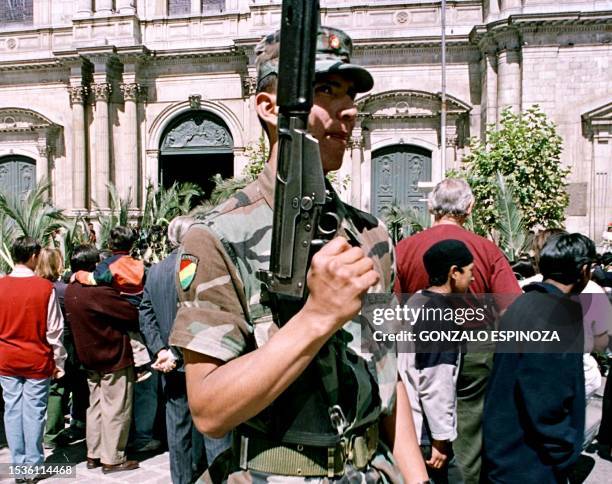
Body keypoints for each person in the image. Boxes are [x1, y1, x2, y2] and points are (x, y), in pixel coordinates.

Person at [169, 26, 428, 483]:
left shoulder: (371, 236)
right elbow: (209, 410)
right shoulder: (215, 238)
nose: (348, 110)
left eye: (349, 93)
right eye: (325, 90)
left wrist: (417, 478)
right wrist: (317, 317)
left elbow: (390, 378)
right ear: (270, 108)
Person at [394, 178, 521, 484]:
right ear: (469, 207)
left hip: (417, 346)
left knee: (416, 421)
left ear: (429, 207)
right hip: (475, 350)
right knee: (466, 435)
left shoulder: (405, 249)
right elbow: (513, 310)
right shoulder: (485, 250)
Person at [483, 233, 595, 483]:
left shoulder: (524, 303)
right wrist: (564, 452)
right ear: (584, 270)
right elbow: (546, 399)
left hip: (506, 453)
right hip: (531, 463)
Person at [140, 216, 227, 483]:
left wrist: (161, 350)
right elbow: (194, 312)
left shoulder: (155, 270)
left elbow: (145, 312)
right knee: (215, 431)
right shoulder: (195, 266)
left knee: (178, 430)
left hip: (171, 364)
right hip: (203, 361)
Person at [399, 239, 473, 483]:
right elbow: (436, 381)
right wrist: (440, 439)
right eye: (469, 271)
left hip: (410, 422)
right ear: (454, 272)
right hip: (425, 432)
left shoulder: (418, 301)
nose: (472, 279)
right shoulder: (440, 315)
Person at [64, 244, 139, 474]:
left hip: (88, 356)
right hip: (111, 354)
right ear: (92, 265)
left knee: (94, 406)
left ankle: (93, 454)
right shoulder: (98, 292)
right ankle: (113, 458)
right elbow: (130, 313)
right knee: (115, 408)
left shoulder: (70, 290)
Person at [0, 237, 66, 468]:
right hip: (37, 359)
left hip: (7, 359)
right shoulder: (44, 288)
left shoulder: (1, 285)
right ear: (34, 256)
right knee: (35, 412)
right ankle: (33, 463)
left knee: (12, 410)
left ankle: (19, 463)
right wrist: (59, 362)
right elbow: (54, 331)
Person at [73, 226, 151, 380]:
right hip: (139, 305)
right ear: (131, 245)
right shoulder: (139, 264)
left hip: (120, 306)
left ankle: (137, 366)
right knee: (135, 336)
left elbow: (94, 280)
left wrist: (78, 274)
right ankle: (141, 366)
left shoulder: (108, 265)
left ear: (109, 245)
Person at [35, 248, 87, 449]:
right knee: (72, 385)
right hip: (67, 342)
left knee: (55, 390)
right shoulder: (64, 290)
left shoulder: (37, 288)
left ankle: (50, 434)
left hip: (42, 343)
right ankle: (72, 426)